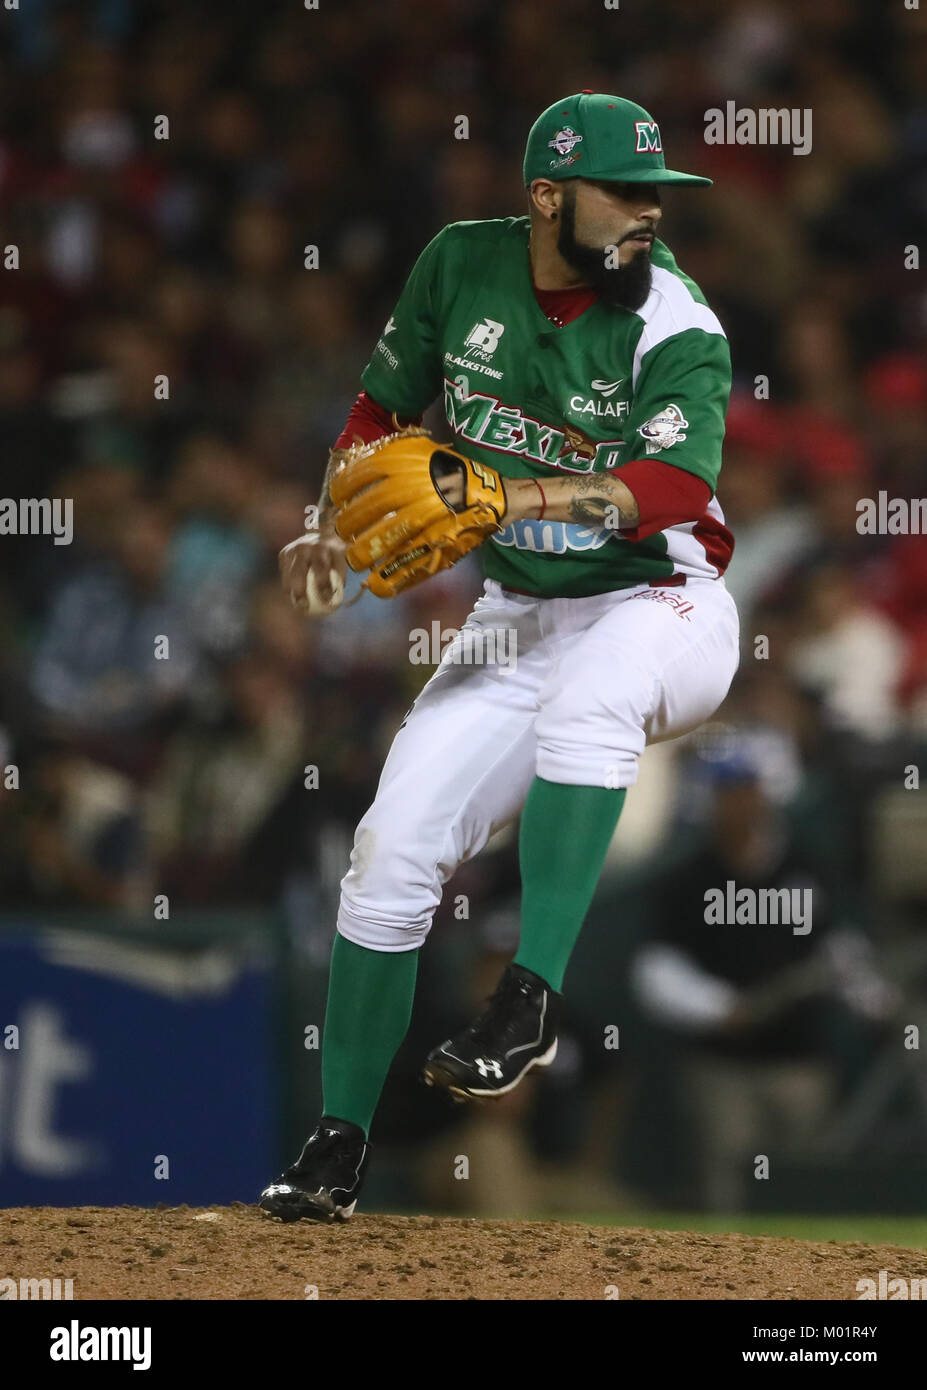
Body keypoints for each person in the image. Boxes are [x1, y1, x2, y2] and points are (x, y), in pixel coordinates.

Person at [262, 92, 740, 1222]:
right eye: (625, 193)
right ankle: (337, 1147)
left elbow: (674, 486)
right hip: (517, 615)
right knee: (387, 855)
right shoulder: (458, 266)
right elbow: (380, 414)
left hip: (663, 600)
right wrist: (327, 523)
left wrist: (514, 492)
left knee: (591, 702)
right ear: (545, 196)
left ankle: (527, 998)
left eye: (657, 197)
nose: (648, 216)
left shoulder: (675, 316)